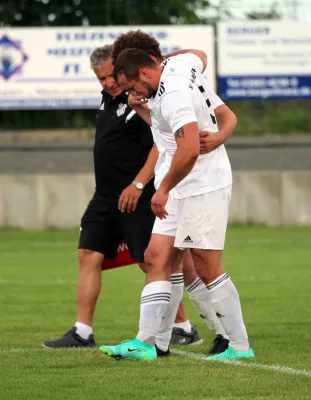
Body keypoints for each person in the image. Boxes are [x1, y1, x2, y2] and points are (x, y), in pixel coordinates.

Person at [42, 44, 204, 350]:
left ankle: (183, 327)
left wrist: (140, 184)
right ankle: (82, 332)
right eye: (100, 78)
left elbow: (161, 144)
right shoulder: (108, 100)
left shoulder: (143, 97)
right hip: (104, 198)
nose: (107, 83)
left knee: (151, 262)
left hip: (138, 197)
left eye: (109, 77)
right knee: (89, 255)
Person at [99, 47, 255, 361]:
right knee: (157, 256)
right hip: (181, 184)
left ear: (144, 72)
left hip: (202, 183)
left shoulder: (173, 95)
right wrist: (154, 69)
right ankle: (149, 343)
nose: (132, 94)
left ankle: (239, 346)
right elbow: (200, 54)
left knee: (206, 265)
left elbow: (189, 151)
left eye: (132, 86)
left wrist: (162, 189)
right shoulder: (176, 67)